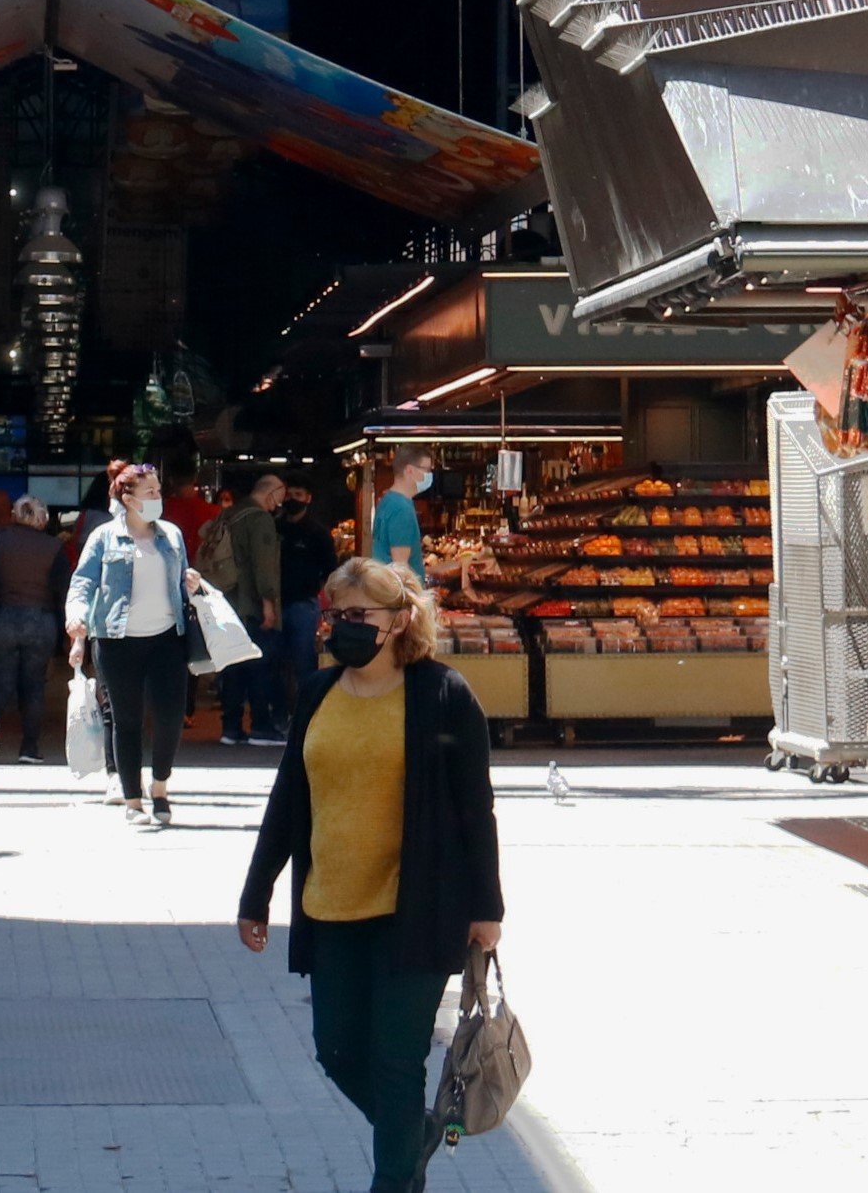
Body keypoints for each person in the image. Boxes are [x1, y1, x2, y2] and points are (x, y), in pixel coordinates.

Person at [238, 556, 506, 1193]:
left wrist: (487, 908)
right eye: (337, 616)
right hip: (331, 907)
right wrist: (257, 893)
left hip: (415, 911)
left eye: (361, 615)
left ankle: (393, 1181)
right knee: (337, 1052)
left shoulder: (443, 695)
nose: (343, 627)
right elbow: (288, 800)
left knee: (395, 1064)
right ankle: (413, 1137)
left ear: (401, 620)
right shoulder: (318, 693)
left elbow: (477, 806)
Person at [66, 459, 197, 828]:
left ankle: (160, 787)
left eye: (159, 491)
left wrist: (191, 581)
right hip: (116, 640)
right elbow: (83, 582)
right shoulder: (103, 537)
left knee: (171, 716)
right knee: (126, 720)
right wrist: (75, 615)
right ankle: (133, 800)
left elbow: (182, 577)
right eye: (150, 492)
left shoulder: (171, 535)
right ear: (127, 498)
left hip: (167, 638)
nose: (158, 497)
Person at [0, 491, 63, 763]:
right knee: (33, 685)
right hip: (39, 621)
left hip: (0, 619)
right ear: (43, 519)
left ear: (14, 515)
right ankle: (29, 748)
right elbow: (62, 589)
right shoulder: (54, 547)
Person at [218, 470, 290, 745]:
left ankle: (231, 728)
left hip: (228, 601)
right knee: (261, 665)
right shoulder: (259, 519)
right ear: (271, 492)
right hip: (252, 604)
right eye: (279, 498)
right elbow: (264, 566)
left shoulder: (230, 514)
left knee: (233, 666)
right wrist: (269, 604)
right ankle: (261, 725)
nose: (279, 505)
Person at [276, 475, 337, 691]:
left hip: (304, 604)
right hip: (273, 605)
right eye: (289, 495)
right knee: (277, 664)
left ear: (308, 498)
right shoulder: (274, 528)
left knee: (304, 662)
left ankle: (306, 713)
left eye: (298, 495)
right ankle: (283, 715)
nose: (293, 499)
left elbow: (331, 569)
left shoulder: (318, 533)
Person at [368, 447, 434, 584]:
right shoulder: (401, 508)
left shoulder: (388, 500)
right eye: (427, 470)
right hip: (398, 597)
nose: (430, 475)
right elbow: (401, 568)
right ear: (410, 470)